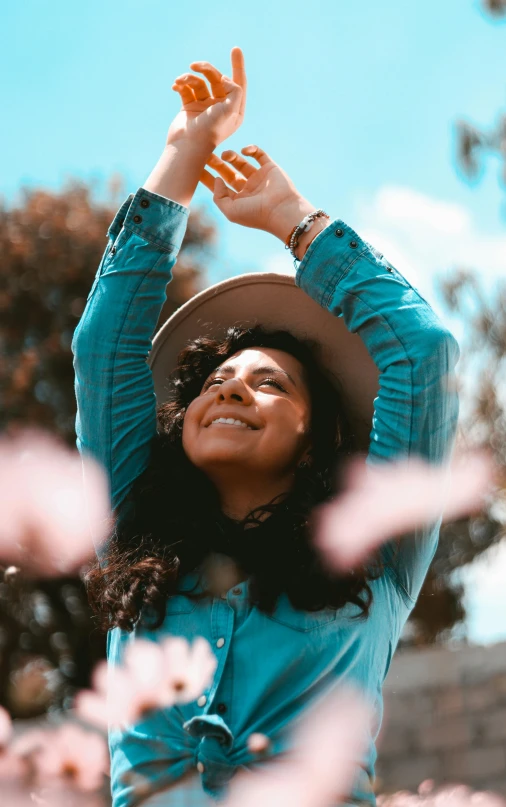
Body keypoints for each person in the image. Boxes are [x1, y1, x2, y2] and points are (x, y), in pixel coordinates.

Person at [72, 46, 460, 807]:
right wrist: (186, 148)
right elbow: (103, 345)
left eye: (268, 382)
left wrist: (292, 220)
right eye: (214, 382)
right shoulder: (131, 529)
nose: (231, 390)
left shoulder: (373, 548)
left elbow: (423, 352)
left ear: (315, 437)